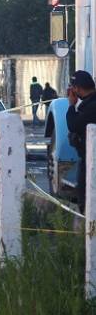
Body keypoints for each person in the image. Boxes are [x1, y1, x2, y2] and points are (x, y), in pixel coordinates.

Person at [66, 70, 96, 213]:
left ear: (77, 88)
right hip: (88, 157)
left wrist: (71, 105)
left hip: (90, 159)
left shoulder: (91, 106)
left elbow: (74, 125)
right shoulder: (89, 104)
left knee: (85, 198)